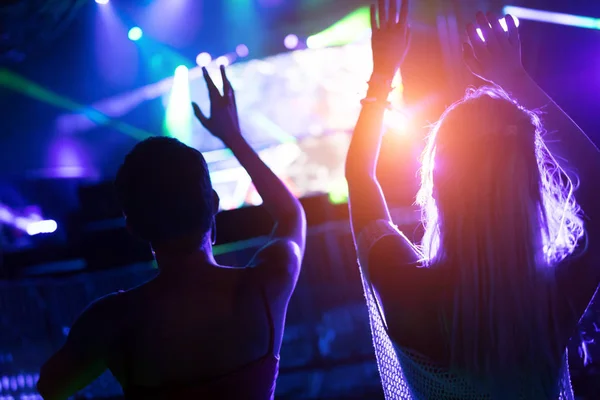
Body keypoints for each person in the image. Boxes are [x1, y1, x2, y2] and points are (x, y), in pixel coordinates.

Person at [346, 1, 600, 399]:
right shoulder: (549, 304)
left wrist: (381, 77)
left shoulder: (405, 289)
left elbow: (359, 177)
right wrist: (516, 81)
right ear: (531, 186)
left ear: (438, 184)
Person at [37, 65, 306, 400]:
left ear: (133, 226)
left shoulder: (110, 320)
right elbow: (291, 214)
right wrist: (232, 136)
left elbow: (50, 387)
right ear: (215, 205)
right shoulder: (267, 285)